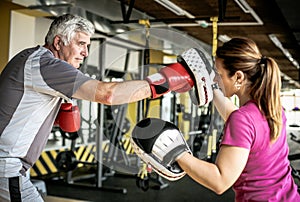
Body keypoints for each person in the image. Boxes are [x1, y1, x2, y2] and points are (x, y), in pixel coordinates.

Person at [0, 14, 198, 201]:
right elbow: (108, 94)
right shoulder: (46, 64)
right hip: (7, 166)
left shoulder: (33, 59)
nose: (85, 52)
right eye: (81, 44)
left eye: (87, 45)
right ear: (59, 43)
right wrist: (167, 81)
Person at [176, 37, 300, 201]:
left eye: (219, 75)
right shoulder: (274, 109)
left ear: (239, 77)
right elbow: (242, 123)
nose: (215, 79)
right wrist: (212, 89)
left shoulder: (242, 118)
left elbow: (220, 181)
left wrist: (176, 152)